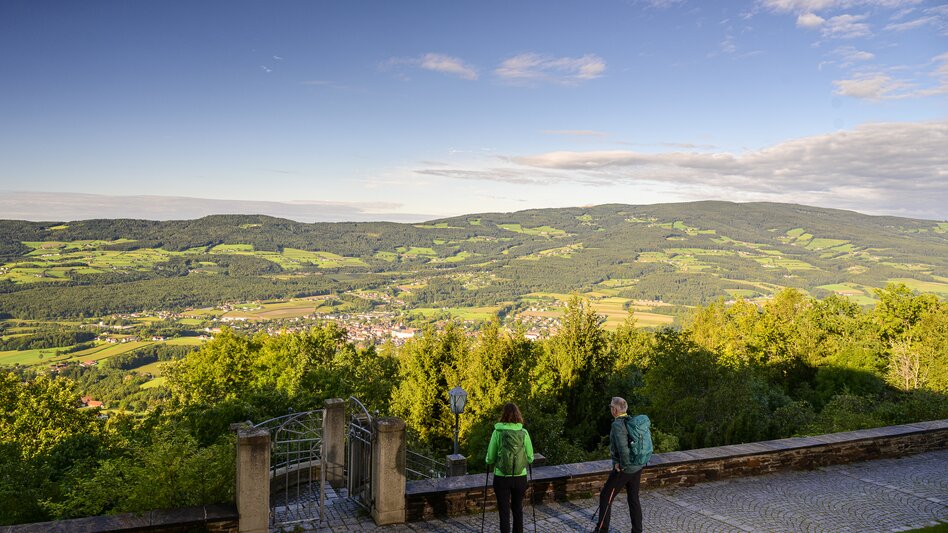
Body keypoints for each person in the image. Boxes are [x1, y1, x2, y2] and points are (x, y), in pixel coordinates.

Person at [595, 396, 644, 533]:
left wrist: (621, 465)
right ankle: (637, 530)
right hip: (637, 465)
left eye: (611, 407)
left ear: (615, 410)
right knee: (633, 497)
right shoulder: (630, 420)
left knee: (605, 495)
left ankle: (602, 529)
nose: (610, 409)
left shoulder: (617, 424)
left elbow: (622, 447)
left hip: (626, 468)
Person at [485, 402, 535, 533]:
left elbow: (490, 457)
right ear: (518, 415)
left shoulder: (497, 432)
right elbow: (530, 457)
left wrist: (489, 460)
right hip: (520, 477)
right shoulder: (524, 432)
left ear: (503, 415)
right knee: (518, 508)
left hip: (502, 477)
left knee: (504, 510)